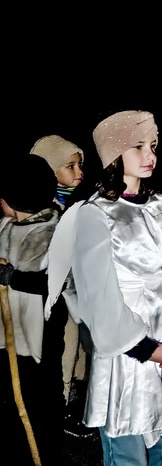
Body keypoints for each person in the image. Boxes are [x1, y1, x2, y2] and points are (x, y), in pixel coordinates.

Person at [69, 110, 162, 465]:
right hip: (126, 351)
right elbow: (94, 295)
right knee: (127, 451)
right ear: (114, 153)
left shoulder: (159, 205)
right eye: (138, 146)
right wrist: (143, 348)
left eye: (153, 145)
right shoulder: (95, 214)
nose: (150, 155)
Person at [0, 153, 64, 465]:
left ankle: (46, 455)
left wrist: (12, 276)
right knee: (13, 405)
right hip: (9, 339)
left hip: (38, 342)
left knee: (40, 404)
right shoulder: (6, 227)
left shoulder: (50, 233)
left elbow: (52, 282)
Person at [30, 134, 96, 438]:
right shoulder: (41, 208)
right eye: (70, 166)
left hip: (78, 288)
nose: (79, 172)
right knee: (66, 347)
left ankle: (78, 399)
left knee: (82, 344)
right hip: (54, 296)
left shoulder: (76, 202)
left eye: (79, 165)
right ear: (49, 169)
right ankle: (62, 405)